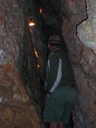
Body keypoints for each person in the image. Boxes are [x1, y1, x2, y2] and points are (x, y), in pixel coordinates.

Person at [43, 35, 77, 128]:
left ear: (49, 45)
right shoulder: (64, 55)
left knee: (53, 122)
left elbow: (57, 76)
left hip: (59, 93)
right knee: (61, 122)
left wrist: (49, 92)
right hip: (71, 93)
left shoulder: (54, 55)